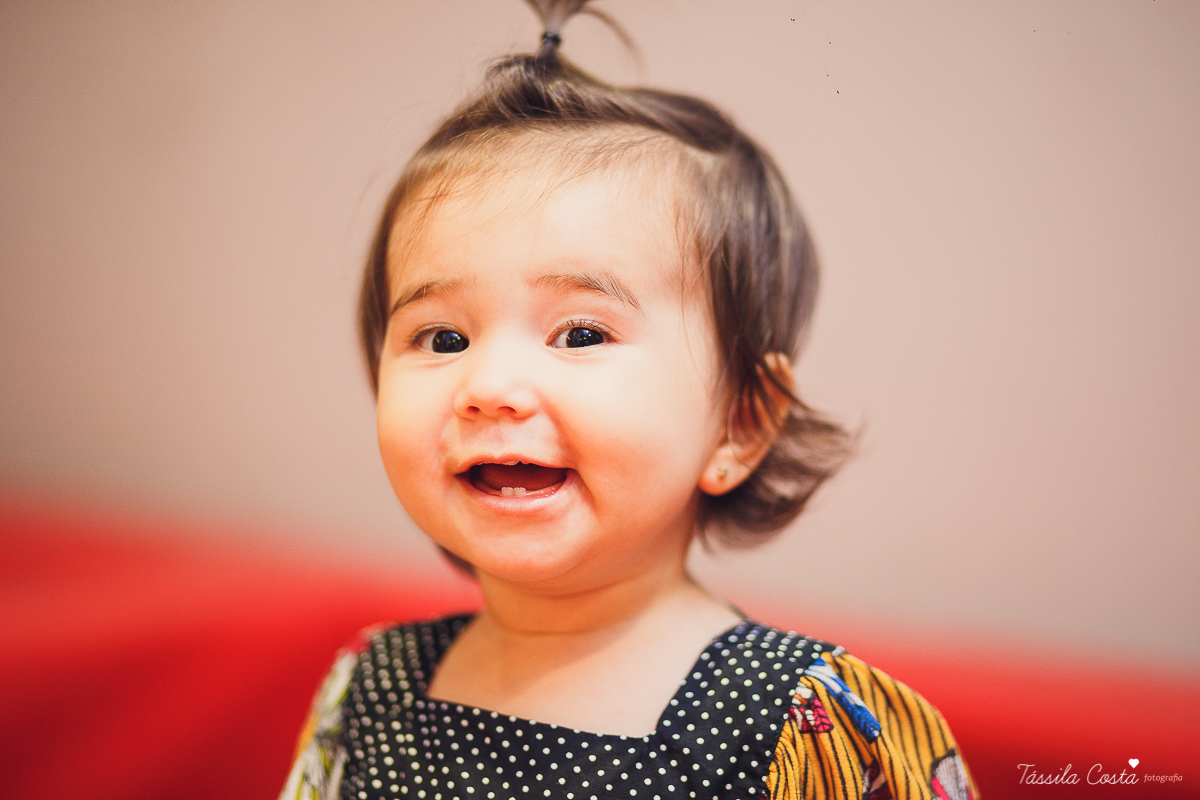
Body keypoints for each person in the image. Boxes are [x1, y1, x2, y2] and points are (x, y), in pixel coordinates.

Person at [281, 2, 978, 798]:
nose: (489, 387)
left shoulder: (799, 725)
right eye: (443, 339)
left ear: (740, 422)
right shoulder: (369, 689)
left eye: (580, 334)